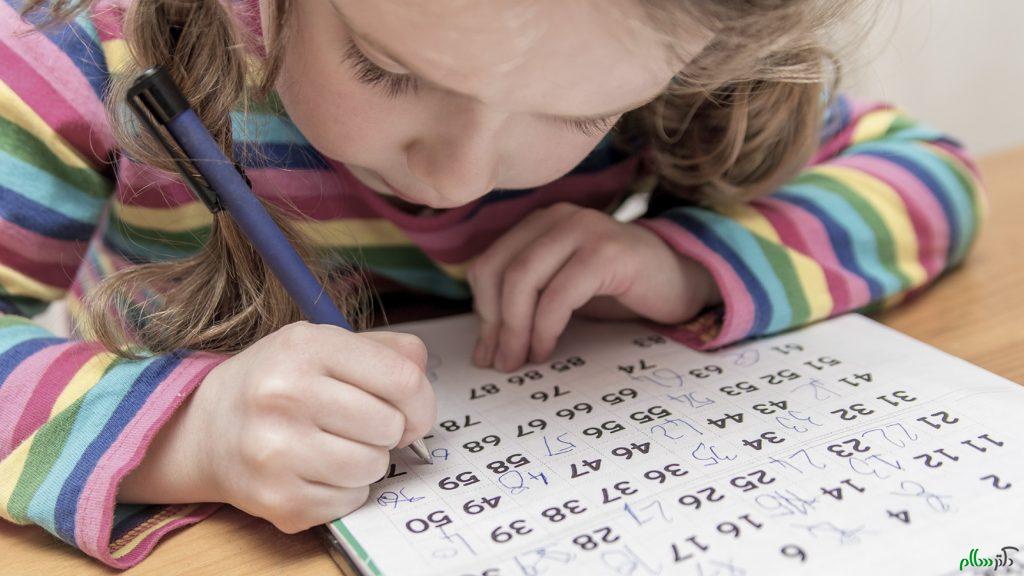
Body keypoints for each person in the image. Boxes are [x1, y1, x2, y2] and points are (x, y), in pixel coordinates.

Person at [0, 0, 984, 568]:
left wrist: (687, 257)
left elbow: (925, 173)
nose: (456, 177)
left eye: (579, 114)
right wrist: (193, 432)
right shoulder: (82, 47)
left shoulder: (673, 41)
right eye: (383, 70)